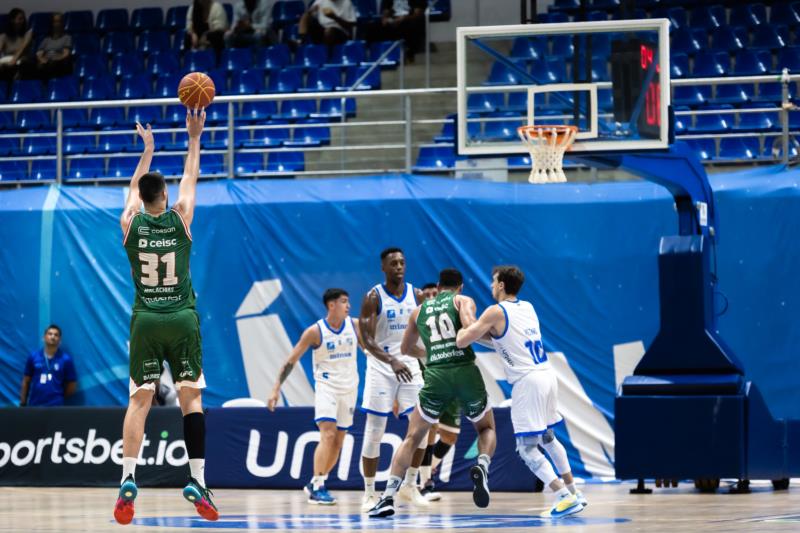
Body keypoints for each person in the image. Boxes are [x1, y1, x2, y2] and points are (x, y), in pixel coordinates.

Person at [114, 109, 218, 525]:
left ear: (141, 198)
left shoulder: (129, 223)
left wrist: (148, 151)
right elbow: (191, 176)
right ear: (165, 196)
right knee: (191, 397)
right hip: (181, 318)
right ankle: (197, 480)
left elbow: (131, 192)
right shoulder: (182, 216)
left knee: (139, 401)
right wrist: (193, 138)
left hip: (145, 320)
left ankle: (127, 478)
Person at [455, 266, 587, 518]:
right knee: (548, 438)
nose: (491, 286)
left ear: (502, 285)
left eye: (494, 282)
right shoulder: (528, 308)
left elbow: (462, 339)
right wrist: (476, 334)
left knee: (526, 449)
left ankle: (563, 496)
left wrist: (463, 313)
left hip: (528, 383)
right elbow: (499, 341)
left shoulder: (495, 311)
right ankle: (574, 491)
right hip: (547, 376)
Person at [369, 268, 497, 518]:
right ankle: (482, 466)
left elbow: (406, 348)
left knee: (413, 437)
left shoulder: (418, 311)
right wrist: (499, 342)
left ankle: (387, 497)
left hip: (436, 375)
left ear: (437, 287)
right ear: (459, 287)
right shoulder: (463, 300)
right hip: (464, 371)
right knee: (486, 428)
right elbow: (471, 329)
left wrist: (430, 353)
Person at [267, 288, 360, 505]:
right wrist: (276, 388)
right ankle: (318, 485)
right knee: (327, 435)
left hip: (350, 388)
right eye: (344, 301)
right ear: (331, 305)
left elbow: (369, 348)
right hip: (327, 387)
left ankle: (316, 482)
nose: (348, 306)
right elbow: (291, 360)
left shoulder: (354, 326)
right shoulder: (315, 331)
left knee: (338, 442)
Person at [358, 247, 429, 511]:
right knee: (375, 430)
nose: (399, 266)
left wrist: (427, 356)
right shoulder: (373, 296)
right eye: (393, 263)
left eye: (402, 262)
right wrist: (392, 360)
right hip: (381, 365)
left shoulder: (418, 295)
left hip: (409, 363)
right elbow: (366, 339)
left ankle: (410, 486)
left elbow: (426, 331)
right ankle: (369, 493)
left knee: (422, 427)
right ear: (384, 268)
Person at [19, 324, 77, 407]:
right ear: (43, 338)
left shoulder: (66, 359)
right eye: (50, 334)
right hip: (35, 404)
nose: (53, 337)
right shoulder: (33, 356)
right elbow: (26, 381)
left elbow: (72, 386)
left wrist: (58, 397)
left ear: (60, 340)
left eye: (56, 335)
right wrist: (23, 402)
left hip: (56, 406)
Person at [35, 12, 72, 81]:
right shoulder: (46, 39)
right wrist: (42, 59)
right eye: (55, 21)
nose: (57, 24)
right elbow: (39, 53)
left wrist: (55, 59)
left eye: (59, 21)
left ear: (62, 23)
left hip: (58, 62)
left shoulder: (67, 37)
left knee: (52, 65)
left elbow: (66, 53)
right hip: (46, 62)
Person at [0, 8, 33, 82]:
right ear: (12, 20)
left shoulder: (28, 34)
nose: (22, 21)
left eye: (23, 18)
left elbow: (22, 48)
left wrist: (14, 59)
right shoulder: (4, 36)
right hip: (7, 62)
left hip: (23, 61)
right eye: (20, 19)